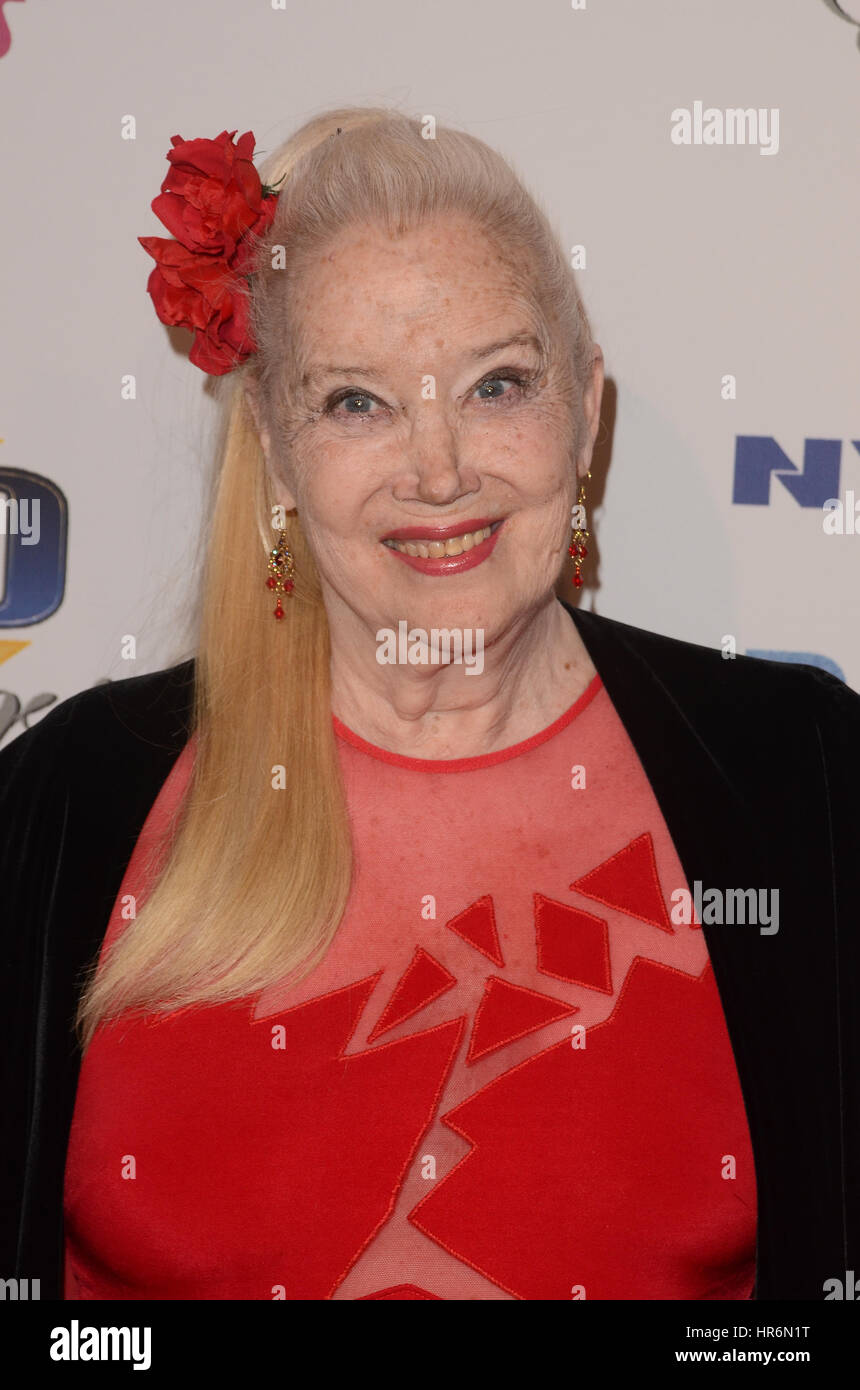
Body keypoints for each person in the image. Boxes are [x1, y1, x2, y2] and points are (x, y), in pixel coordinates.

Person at [1, 106, 857, 1302]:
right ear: (275, 447)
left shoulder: (800, 776)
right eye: (357, 402)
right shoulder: (66, 801)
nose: (441, 470)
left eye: (496, 384)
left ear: (586, 407)